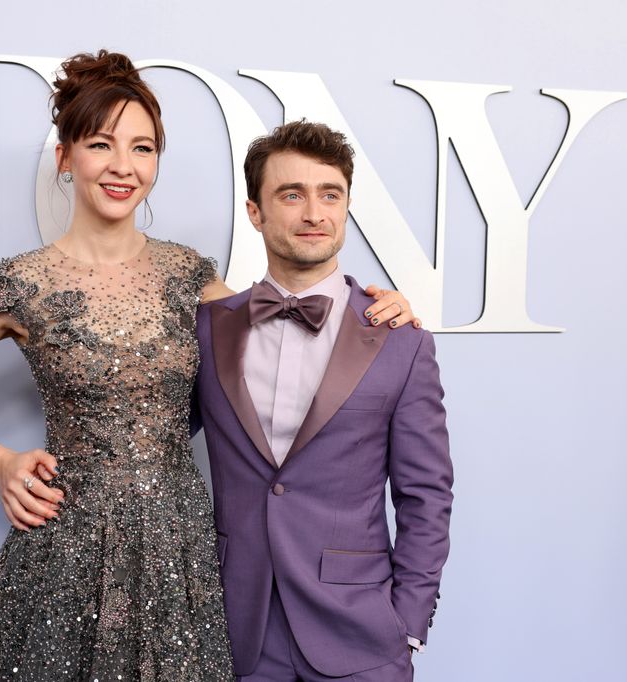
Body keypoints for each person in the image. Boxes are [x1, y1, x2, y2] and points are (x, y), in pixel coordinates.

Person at [0, 52, 414, 681]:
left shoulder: (189, 274)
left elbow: (285, 334)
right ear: (65, 158)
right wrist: (1, 462)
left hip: (177, 547)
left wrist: (376, 309)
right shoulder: (20, 283)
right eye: (101, 144)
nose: (123, 167)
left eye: (144, 148)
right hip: (64, 544)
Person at [192, 121, 453, 682]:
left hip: (361, 636)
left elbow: (426, 495)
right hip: (236, 629)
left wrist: (407, 622)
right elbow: (149, 438)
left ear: (347, 205)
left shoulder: (399, 339)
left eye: (329, 195)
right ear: (254, 211)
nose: (314, 213)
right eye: (291, 194)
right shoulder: (206, 328)